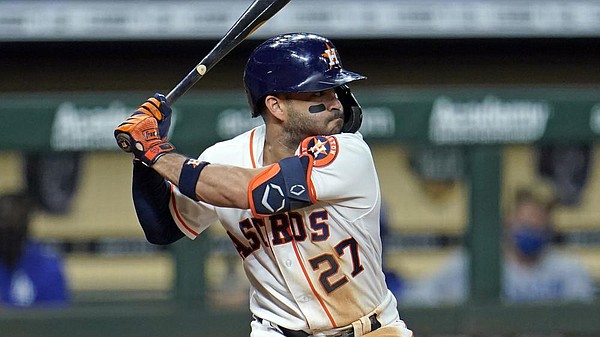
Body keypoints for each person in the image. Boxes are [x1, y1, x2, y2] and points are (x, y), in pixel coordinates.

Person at [114, 33, 413, 337]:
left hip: (368, 328)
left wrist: (155, 152)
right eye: (317, 94)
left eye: (335, 91)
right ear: (276, 106)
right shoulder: (224, 158)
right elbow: (162, 228)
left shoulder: (348, 153)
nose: (334, 103)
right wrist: (143, 159)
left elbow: (258, 191)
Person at [401, 187, 596, 305]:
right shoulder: (472, 265)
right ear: (508, 222)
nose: (531, 230)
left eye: (538, 225)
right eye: (526, 224)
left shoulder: (568, 270)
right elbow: (417, 300)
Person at [0, 192, 69, 307]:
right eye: (3, 222)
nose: (9, 228)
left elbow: (56, 320)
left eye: (16, 223)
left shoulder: (48, 267)